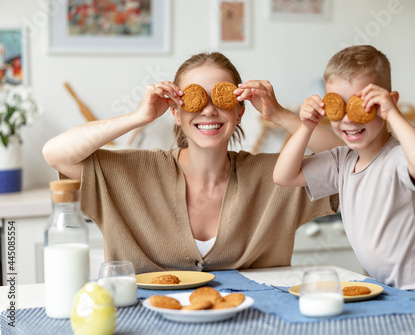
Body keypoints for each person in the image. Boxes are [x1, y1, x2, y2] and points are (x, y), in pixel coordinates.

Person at [42, 52, 342, 275]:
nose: (209, 110)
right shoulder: (132, 171)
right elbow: (56, 153)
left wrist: (278, 114)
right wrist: (139, 117)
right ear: (175, 112)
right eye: (196, 100)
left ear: (239, 112)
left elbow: (350, 160)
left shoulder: (275, 176)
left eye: (221, 100)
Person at [273, 45, 415, 308]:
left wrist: (392, 113)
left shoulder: (397, 158)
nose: (348, 120)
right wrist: (307, 126)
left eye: (361, 105)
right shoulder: (342, 161)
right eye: (338, 107)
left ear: (388, 100)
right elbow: (283, 176)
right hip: (394, 295)